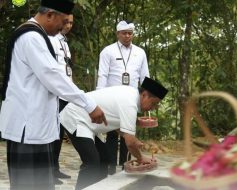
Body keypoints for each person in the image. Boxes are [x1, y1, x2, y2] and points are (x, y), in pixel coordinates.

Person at [0, 0, 107, 190]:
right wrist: (88, 104)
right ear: (50, 14)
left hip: (36, 126)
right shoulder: (31, 37)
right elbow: (54, 76)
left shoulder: (37, 35)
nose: (63, 27)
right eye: (63, 21)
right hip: (28, 127)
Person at [60, 77, 168, 189]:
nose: (153, 108)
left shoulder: (130, 94)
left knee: (104, 159)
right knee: (92, 162)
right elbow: (130, 143)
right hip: (76, 117)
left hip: (89, 123)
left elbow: (119, 127)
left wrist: (129, 136)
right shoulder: (130, 103)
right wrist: (141, 158)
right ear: (144, 95)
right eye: (154, 103)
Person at [96, 20, 150, 174]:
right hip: (112, 99)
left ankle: (126, 163)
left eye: (130, 33)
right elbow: (102, 75)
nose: (127, 36)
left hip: (132, 100)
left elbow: (145, 76)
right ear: (117, 34)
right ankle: (111, 165)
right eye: (124, 33)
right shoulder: (107, 51)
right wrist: (99, 99)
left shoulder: (140, 52)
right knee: (112, 131)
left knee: (129, 132)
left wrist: (147, 101)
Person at [49, 14, 73, 184]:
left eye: (71, 22)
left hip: (66, 94)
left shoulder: (64, 42)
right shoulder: (50, 40)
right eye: (66, 21)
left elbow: (67, 69)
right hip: (56, 93)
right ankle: (49, 171)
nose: (69, 25)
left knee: (60, 133)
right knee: (53, 133)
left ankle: (55, 168)